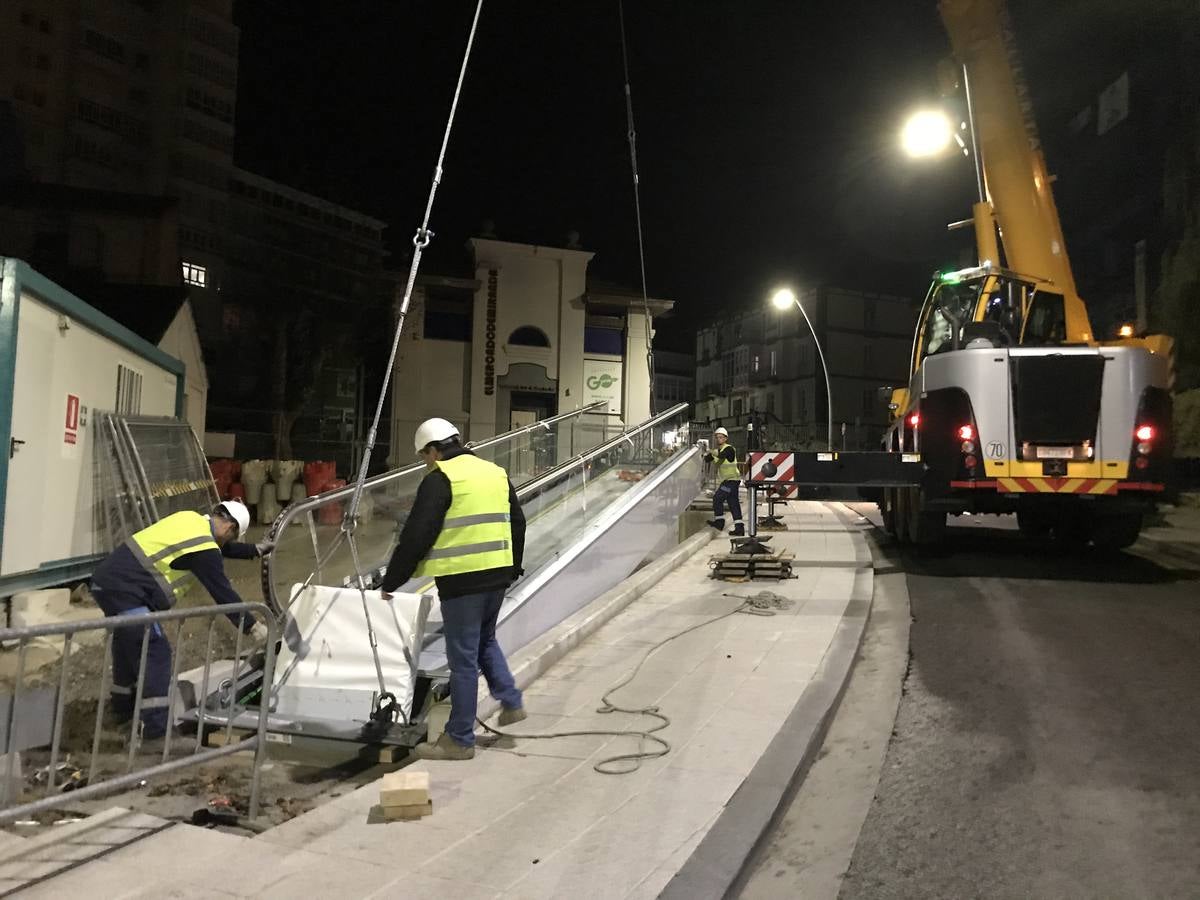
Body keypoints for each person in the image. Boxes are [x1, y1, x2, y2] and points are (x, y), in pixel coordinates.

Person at [381, 417, 527, 761]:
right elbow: (517, 521)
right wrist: (513, 567)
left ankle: (459, 739)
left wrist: (392, 581)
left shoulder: (441, 478)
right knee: (486, 640)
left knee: (461, 659)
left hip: (463, 581)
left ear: (434, 450)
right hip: (497, 576)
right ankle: (511, 701)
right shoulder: (494, 472)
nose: (425, 462)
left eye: (424, 455)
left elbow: (417, 534)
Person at [90, 500, 274, 740]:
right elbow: (223, 593)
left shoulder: (190, 519)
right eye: (231, 538)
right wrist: (252, 627)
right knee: (156, 651)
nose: (227, 543)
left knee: (128, 643)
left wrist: (254, 550)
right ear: (230, 529)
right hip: (128, 591)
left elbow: (217, 548)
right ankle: (156, 735)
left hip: (106, 582)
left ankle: (123, 713)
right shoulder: (205, 550)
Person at [707, 427, 745, 536]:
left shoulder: (729, 449)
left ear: (726, 438)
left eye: (721, 437)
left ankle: (719, 522)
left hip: (731, 481)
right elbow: (706, 459)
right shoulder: (716, 452)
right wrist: (703, 451)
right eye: (717, 437)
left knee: (717, 497)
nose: (719, 439)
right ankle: (739, 528)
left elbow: (721, 455)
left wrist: (710, 451)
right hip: (729, 481)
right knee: (733, 503)